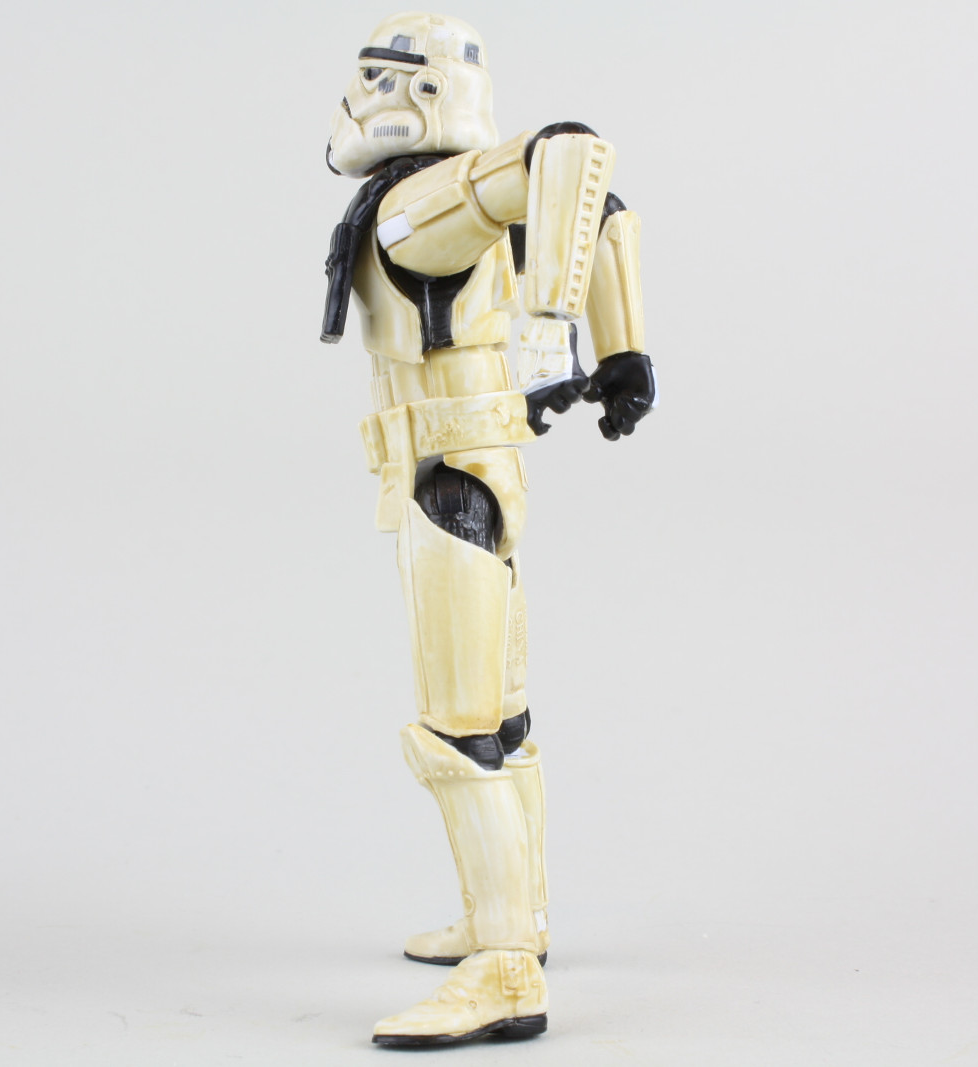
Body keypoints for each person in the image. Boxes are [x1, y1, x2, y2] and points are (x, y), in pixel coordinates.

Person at [320, 12, 658, 1046]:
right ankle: (515, 915)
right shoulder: (452, 202)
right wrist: (623, 349)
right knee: (500, 719)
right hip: (477, 470)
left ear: (417, 92)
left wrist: (557, 334)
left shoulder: (415, 205)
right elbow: (606, 212)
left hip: (447, 480)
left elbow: (572, 152)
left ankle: (504, 964)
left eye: (373, 77)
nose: (354, 97)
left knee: (456, 730)